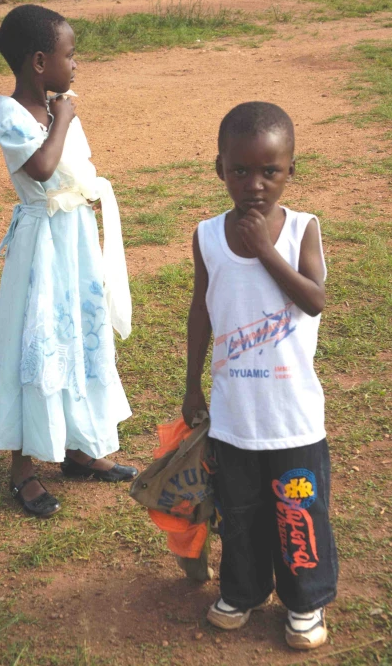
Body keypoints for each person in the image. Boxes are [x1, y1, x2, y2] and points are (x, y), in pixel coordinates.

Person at [182, 102, 338, 651]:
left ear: (290, 171)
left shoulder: (301, 230)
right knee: (240, 512)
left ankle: (305, 600)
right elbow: (201, 308)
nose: (254, 185)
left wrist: (265, 251)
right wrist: (191, 383)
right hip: (234, 415)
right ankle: (243, 591)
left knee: (299, 510)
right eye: (240, 170)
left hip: (293, 418)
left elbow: (314, 300)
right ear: (219, 168)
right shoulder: (206, 235)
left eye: (269, 171)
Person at [0, 4, 137, 519]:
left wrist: (88, 193)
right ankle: (22, 469)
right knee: (39, 338)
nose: (77, 65)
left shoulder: (54, 110)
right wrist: (66, 118)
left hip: (72, 241)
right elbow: (44, 168)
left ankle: (77, 449)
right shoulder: (12, 114)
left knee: (79, 333)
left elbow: (75, 173)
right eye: (71, 56)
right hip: (40, 248)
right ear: (40, 62)